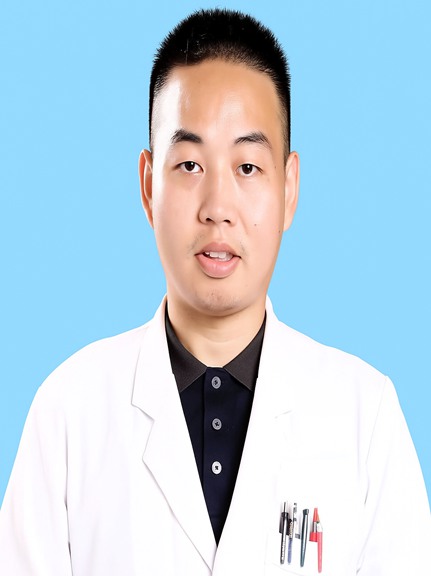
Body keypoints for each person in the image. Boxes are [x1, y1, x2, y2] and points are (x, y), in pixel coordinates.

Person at [0, 8, 429, 575]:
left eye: (247, 167)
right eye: (189, 165)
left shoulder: (365, 416)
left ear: (289, 188)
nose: (218, 208)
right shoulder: (68, 412)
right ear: (148, 186)